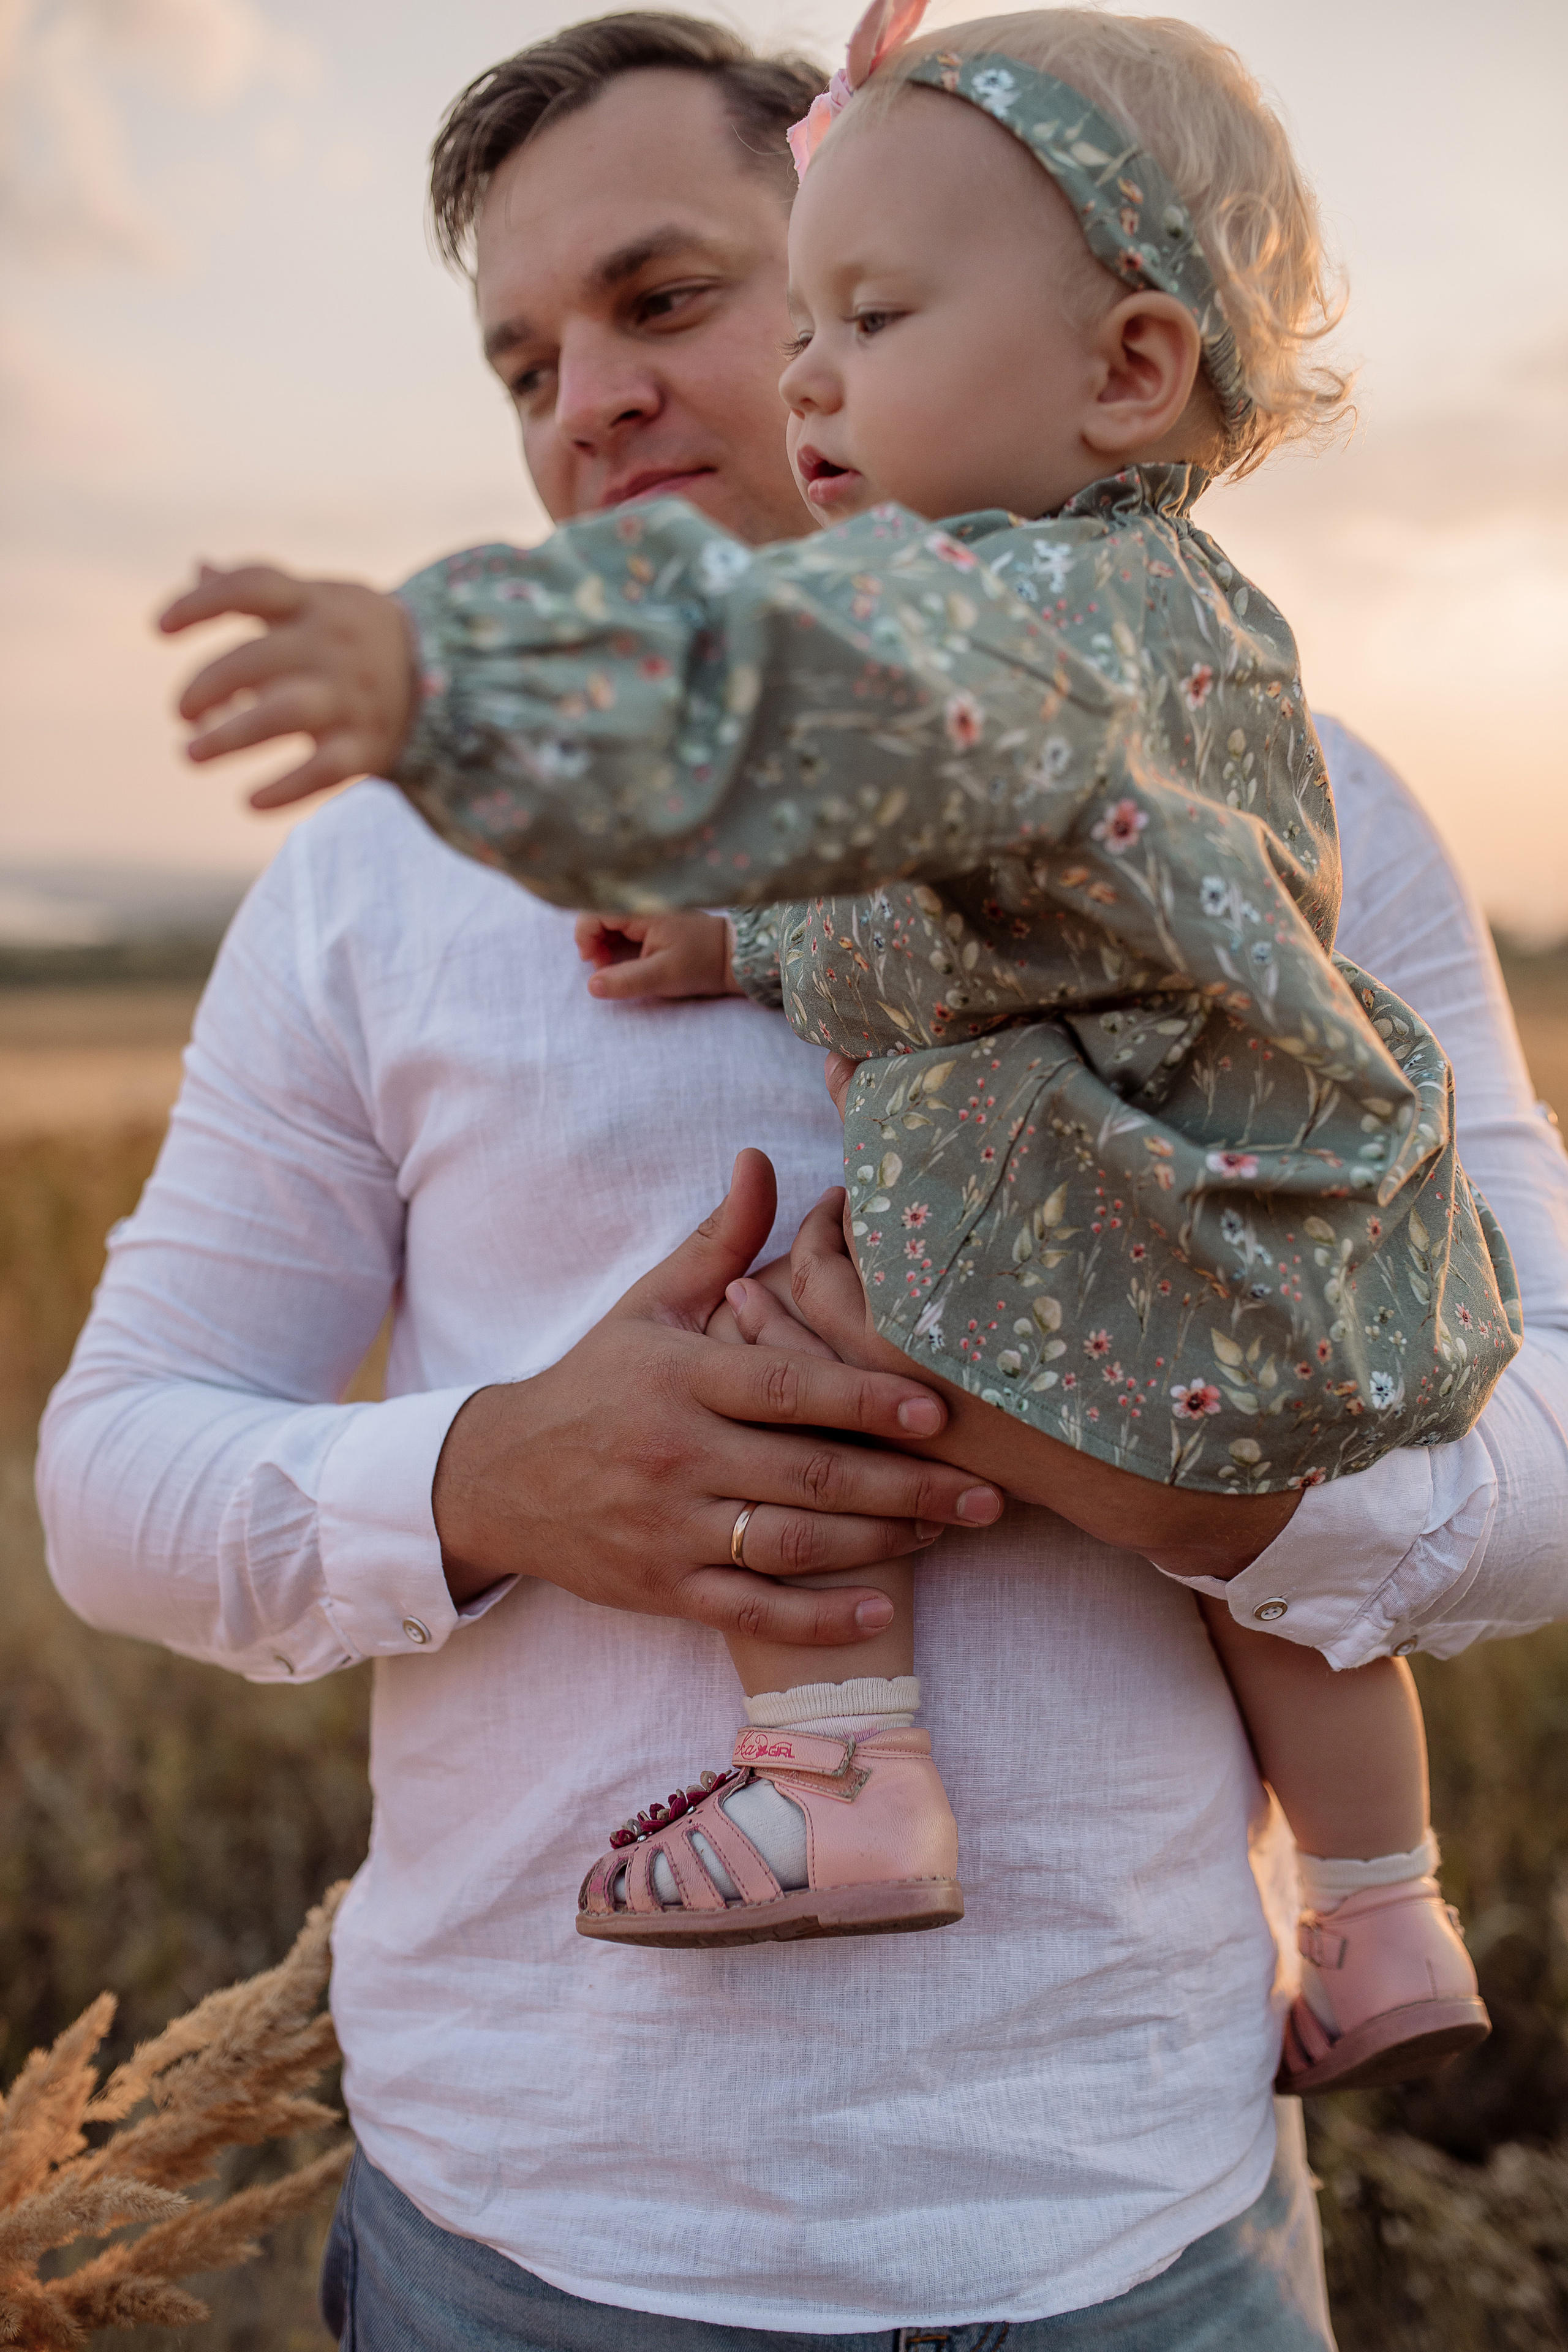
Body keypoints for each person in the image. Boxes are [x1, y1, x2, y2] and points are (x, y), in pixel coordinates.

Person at [39, 12, 1568, 2346]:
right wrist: (493, 1480)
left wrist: (1168, 1475)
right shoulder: (370, 886)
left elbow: (1554, 1442)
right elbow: (112, 1485)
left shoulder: (1294, 797)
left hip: (1136, 2242)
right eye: (523, 359)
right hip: (525, 2251)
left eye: (674, 301)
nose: (586, 402)